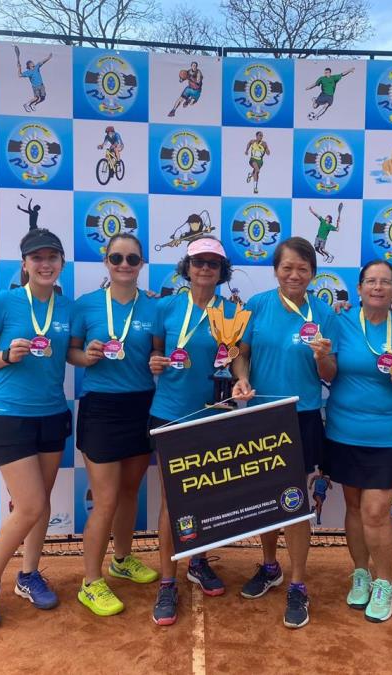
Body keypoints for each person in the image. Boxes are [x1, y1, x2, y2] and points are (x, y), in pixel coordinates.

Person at [231, 236, 339, 629]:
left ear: (313, 273)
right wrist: (241, 378)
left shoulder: (323, 312)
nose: (294, 274)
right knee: (266, 499)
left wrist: (323, 357)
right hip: (262, 415)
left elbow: (331, 375)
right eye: (287, 267)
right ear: (276, 270)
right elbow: (240, 353)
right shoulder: (257, 305)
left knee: (294, 501)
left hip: (302, 416)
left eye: (302, 268)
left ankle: (298, 584)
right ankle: (269, 566)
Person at [0, 228, 74, 630]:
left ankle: (28, 575)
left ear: (61, 263)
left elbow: (75, 352)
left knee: (41, 504)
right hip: (10, 415)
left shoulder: (67, 308)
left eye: (52, 257)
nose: (45, 264)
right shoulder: (4, 301)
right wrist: (5, 356)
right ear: (25, 264)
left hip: (52, 414)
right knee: (28, 505)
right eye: (37, 258)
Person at [67, 233, 159, 618]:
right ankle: (90, 581)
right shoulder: (86, 305)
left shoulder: (154, 306)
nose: (124, 265)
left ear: (141, 264)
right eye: (117, 258)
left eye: (132, 259)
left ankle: (122, 560)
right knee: (105, 499)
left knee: (129, 491)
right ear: (106, 261)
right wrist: (85, 357)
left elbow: (157, 353)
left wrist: (158, 361)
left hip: (142, 406)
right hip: (102, 409)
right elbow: (71, 352)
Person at [147, 236, 237, 626]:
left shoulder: (232, 312)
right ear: (187, 267)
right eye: (198, 262)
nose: (205, 269)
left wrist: (242, 380)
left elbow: (238, 359)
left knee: (205, 497)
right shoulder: (165, 307)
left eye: (213, 264)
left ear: (221, 272)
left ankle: (198, 561)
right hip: (169, 413)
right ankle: (167, 581)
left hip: (213, 414)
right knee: (172, 501)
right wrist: (155, 361)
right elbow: (154, 351)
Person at [323, 260, 392, 624]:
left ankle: (384, 582)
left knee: (376, 511)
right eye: (371, 281)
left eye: (385, 282)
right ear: (360, 288)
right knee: (353, 507)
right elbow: (328, 371)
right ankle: (361, 573)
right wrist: (320, 356)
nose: (378, 287)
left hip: (387, 433)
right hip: (343, 430)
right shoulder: (340, 320)